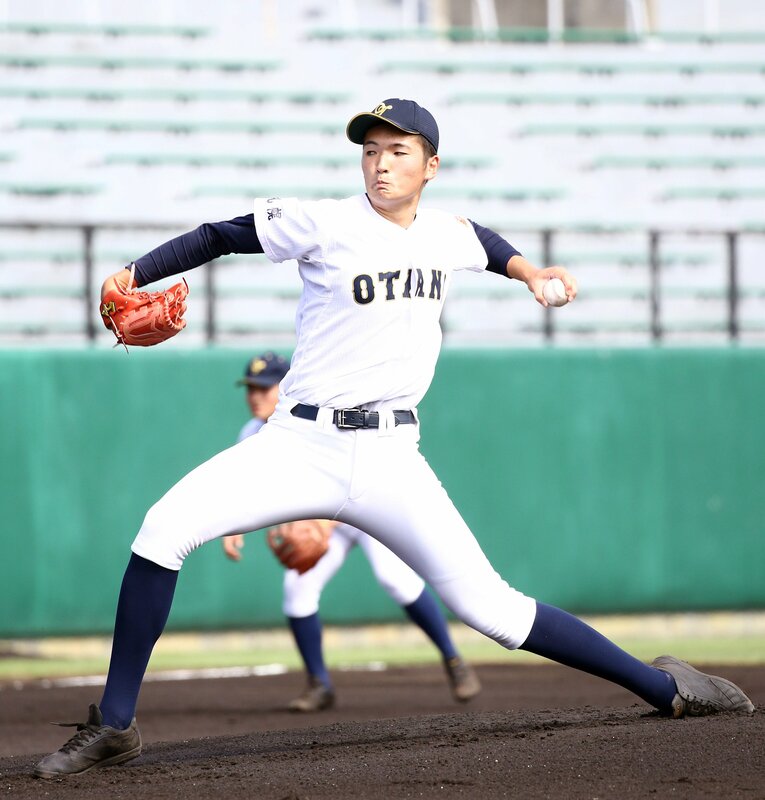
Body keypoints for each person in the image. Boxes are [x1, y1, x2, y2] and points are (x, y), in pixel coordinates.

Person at [34, 98, 754, 780]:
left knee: (494, 611)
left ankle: (665, 688)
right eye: (370, 151)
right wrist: (135, 271)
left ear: (429, 166)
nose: (379, 164)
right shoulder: (320, 221)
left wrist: (530, 274)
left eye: (396, 151)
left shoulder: (446, 232)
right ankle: (116, 725)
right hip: (299, 444)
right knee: (162, 530)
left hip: (389, 458)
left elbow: (483, 241)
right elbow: (222, 235)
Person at [224, 351, 481, 711]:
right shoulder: (252, 433)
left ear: (285, 388)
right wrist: (232, 526)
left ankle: (454, 661)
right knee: (297, 588)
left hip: (368, 508)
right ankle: (319, 684)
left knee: (395, 578)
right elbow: (244, 482)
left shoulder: (312, 416)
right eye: (251, 388)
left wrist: (319, 520)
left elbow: (350, 469)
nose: (255, 396)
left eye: (264, 388)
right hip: (329, 522)